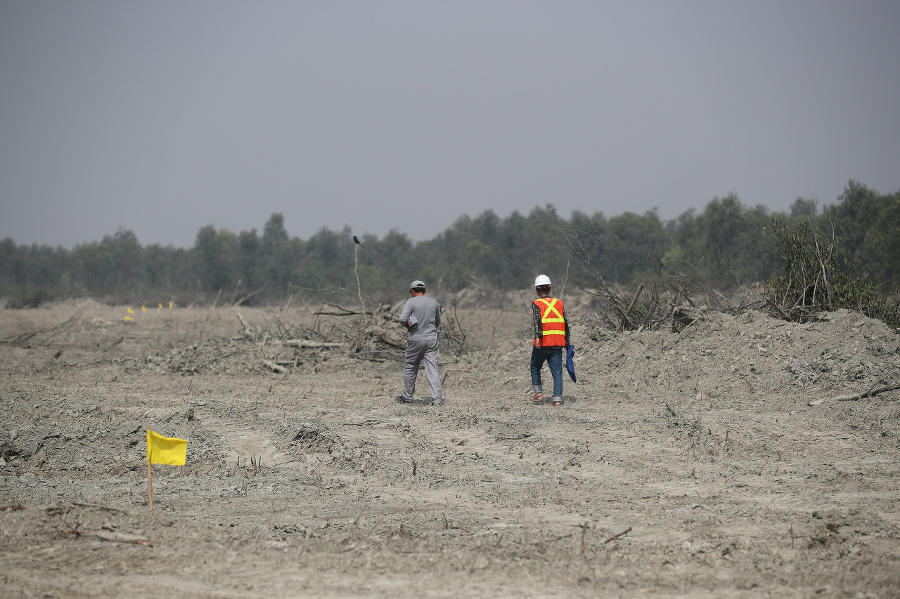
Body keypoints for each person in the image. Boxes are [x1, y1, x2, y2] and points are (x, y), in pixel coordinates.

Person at [397, 280, 443, 406]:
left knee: (410, 367)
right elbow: (437, 322)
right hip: (432, 339)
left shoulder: (411, 301)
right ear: (424, 290)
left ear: (412, 291)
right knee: (433, 369)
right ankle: (437, 399)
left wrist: (408, 324)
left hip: (416, 339)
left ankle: (407, 398)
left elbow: (402, 319)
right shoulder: (434, 302)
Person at [529, 274, 569, 406]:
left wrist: (538, 337)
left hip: (543, 343)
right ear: (550, 288)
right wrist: (567, 342)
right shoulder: (559, 303)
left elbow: (537, 321)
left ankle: (538, 394)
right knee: (557, 371)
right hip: (557, 343)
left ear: (537, 289)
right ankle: (557, 400)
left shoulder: (537, 303)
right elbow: (565, 322)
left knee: (535, 366)